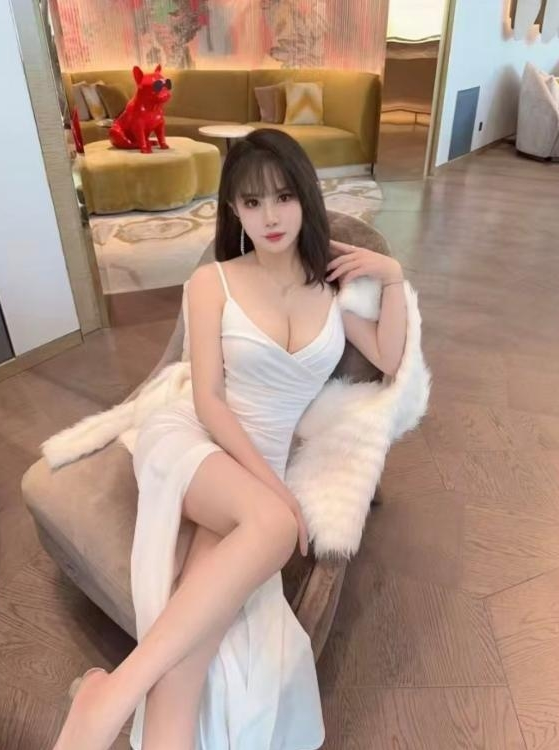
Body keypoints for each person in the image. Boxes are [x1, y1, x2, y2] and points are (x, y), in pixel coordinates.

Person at [52, 128, 407, 750]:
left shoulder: (330, 290)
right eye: (251, 201)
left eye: (283, 197)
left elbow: (391, 355)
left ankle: (107, 701)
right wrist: (276, 492)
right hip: (197, 438)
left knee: (196, 647)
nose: (270, 216)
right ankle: (109, 699)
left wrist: (394, 276)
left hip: (250, 469)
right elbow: (208, 401)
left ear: (305, 197)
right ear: (233, 210)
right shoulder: (211, 283)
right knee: (273, 525)